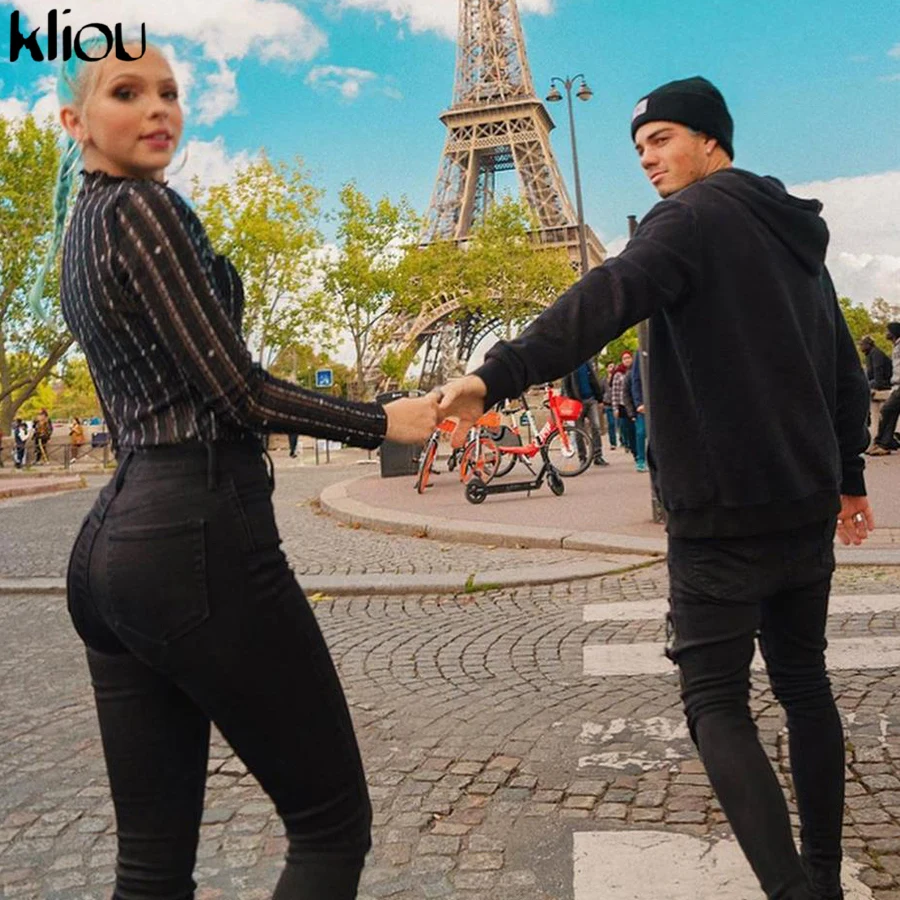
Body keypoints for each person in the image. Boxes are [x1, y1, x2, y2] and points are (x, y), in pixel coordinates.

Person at [438, 76, 872, 900]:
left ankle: (795, 893)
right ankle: (822, 874)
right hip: (804, 507)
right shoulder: (796, 237)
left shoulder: (688, 219)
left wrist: (495, 375)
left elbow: (600, 300)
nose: (646, 157)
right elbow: (845, 373)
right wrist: (850, 479)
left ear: (712, 140)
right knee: (805, 684)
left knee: (715, 702)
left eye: (662, 138)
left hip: (720, 516)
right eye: (639, 146)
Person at [37, 39, 439, 900]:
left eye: (170, 92)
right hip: (196, 535)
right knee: (330, 826)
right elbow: (239, 391)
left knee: (150, 869)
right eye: (127, 92)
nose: (158, 108)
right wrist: (382, 421)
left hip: (114, 550)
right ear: (75, 120)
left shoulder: (79, 231)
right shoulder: (143, 209)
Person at [562, 359, 608, 465]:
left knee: (596, 427)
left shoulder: (587, 363)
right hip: (577, 402)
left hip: (591, 400)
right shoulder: (569, 365)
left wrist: (599, 398)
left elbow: (594, 380)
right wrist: (572, 400)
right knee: (578, 431)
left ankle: (598, 456)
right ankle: (582, 457)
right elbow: (566, 384)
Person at [867, 323, 900, 455]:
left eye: (888, 331)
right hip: (896, 386)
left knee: (886, 410)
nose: (886, 333)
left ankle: (883, 443)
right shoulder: (896, 346)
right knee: (891, 413)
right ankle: (885, 443)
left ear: (894, 332)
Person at [623, 352, 648, 473]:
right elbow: (634, 383)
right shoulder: (639, 354)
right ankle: (641, 460)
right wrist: (638, 405)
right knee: (641, 432)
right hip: (642, 405)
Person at [601, 362, 618, 449]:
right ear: (607, 369)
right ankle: (613, 443)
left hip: (617, 404)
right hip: (608, 404)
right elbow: (601, 391)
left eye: (613, 366)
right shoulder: (603, 380)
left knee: (620, 424)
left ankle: (623, 440)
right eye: (610, 366)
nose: (612, 368)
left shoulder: (617, 377)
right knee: (611, 424)